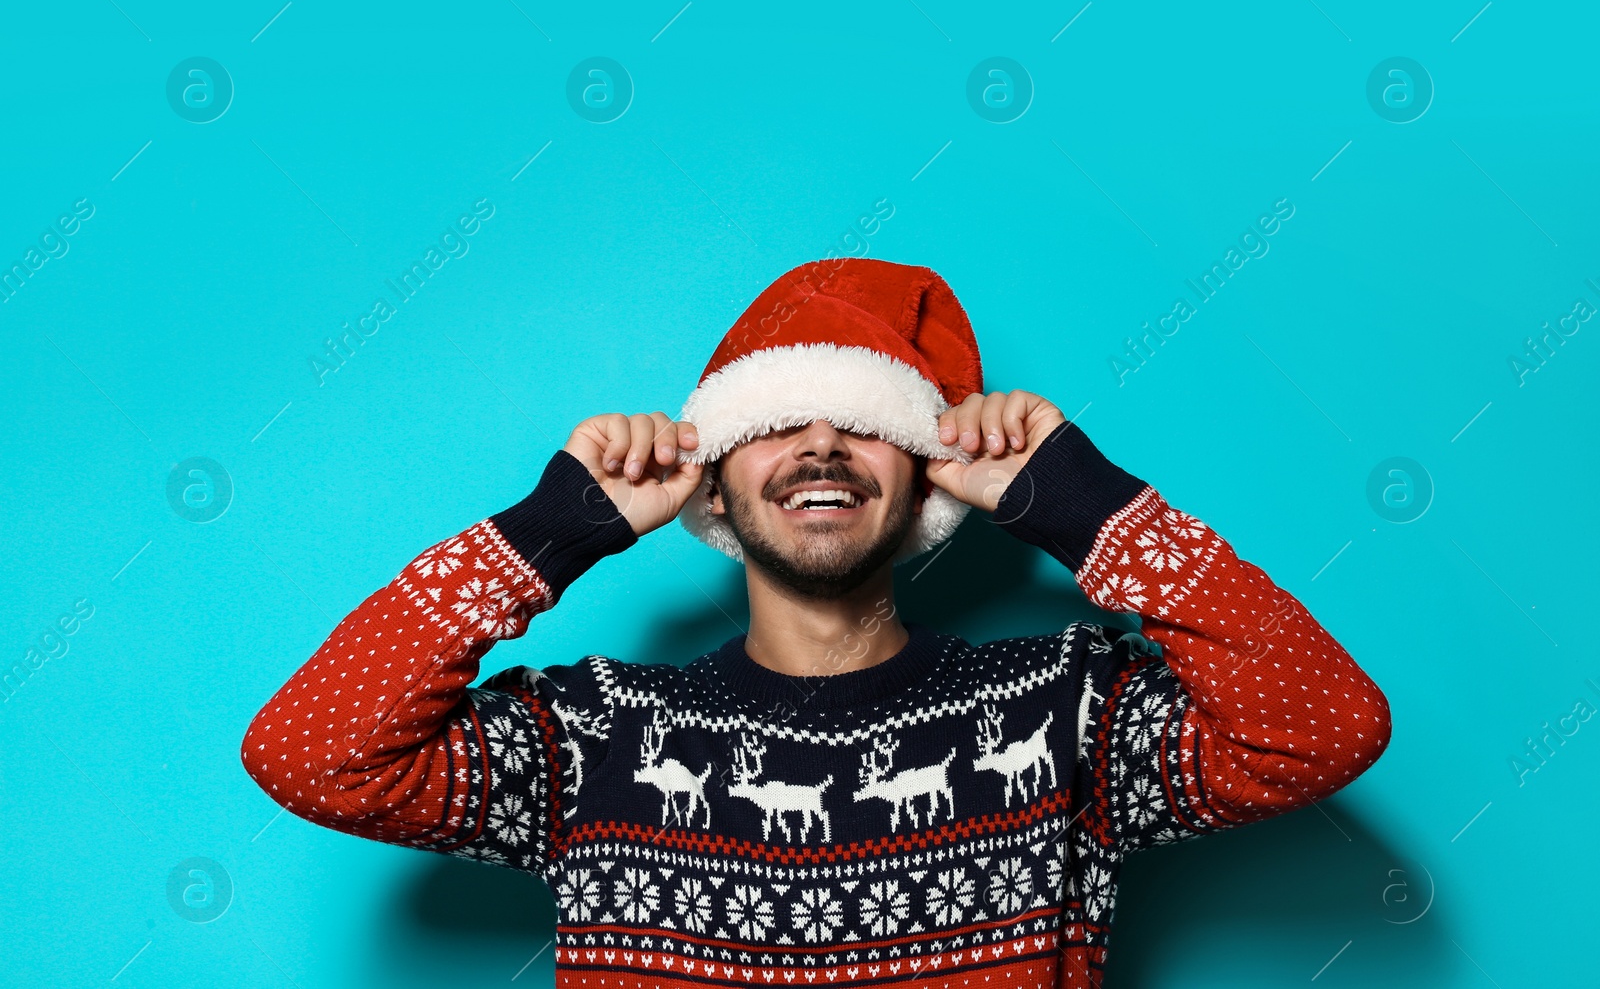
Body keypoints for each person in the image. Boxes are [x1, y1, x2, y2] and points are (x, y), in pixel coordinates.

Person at [242, 259, 1390, 987]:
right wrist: (550, 532)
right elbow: (312, 755)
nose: (822, 448)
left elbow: (1322, 727)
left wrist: (1087, 506)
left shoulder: (1065, 714)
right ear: (714, 479)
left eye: (861, 422)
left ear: (929, 474)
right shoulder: (592, 737)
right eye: (778, 423)